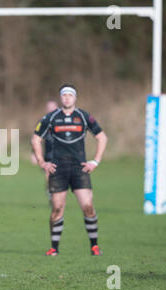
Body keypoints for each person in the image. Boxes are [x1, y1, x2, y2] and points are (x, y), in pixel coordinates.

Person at [32, 84, 107, 256]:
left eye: (70, 95)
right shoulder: (51, 117)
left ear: (75, 98)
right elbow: (36, 139)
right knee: (57, 208)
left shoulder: (83, 116)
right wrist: (42, 162)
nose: (67, 98)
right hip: (57, 169)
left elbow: (102, 137)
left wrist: (95, 161)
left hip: (79, 168)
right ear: (61, 98)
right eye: (64, 95)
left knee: (88, 206)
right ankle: (54, 248)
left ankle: (94, 246)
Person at [31, 101, 58, 204]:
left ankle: (57, 195)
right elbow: (35, 139)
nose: (51, 110)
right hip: (48, 154)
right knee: (49, 177)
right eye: (49, 108)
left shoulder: (62, 120)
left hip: (62, 155)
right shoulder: (42, 121)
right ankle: (51, 195)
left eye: (53, 108)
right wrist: (33, 153)